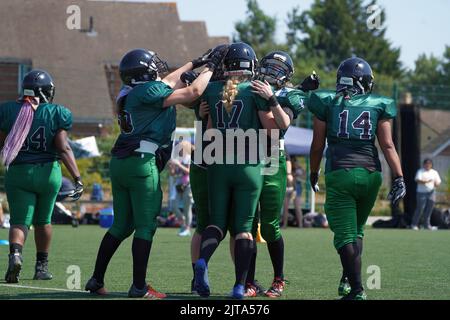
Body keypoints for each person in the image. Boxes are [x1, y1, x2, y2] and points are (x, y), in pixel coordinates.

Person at [85, 46, 228, 298]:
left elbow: (168, 80)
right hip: (142, 162)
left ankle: (96, 279)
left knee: (121, 225)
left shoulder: (131, 91)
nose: (158, 70)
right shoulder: (147, 90)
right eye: (153, 66)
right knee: (145, 226)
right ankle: (139, 286)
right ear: (144, 73)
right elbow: (193, 91)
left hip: (121, 162)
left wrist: (193, 62)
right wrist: (211, 68)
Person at [193, 42, 291, 299]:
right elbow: (277, 129)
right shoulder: (256, 90)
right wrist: (270, 99)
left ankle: (202, 260)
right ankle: (240, 286)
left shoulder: (213, 90)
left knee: (216, 224)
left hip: (218, 165)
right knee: (245, 228)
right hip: (249, 166)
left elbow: (211, 130)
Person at [308, 57, 406, 300]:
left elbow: (317, 145)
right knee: (357, 231)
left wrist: (313, 171)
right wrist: (399, 177)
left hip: (341, 173)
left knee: (344, 235)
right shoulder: (378, 103)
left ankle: (358, 290)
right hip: (372, 175)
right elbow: (388, 145)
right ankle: (348, 278)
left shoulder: (326, 101)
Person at [243, 51, 318, 298]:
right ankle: (249, 281)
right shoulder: (250, 87)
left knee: (270, 227)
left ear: (286, 74)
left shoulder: (292, 95)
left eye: (278, 68)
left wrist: (271, 99)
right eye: (269, 67)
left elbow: (281, 126)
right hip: (248, 156)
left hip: (273, 157)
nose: (272, 72)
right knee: (249, 224)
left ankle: (278, 278)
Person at [0, 69, 83, 283]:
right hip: (48, 173)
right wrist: (77, 177)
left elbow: (3, 143)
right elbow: (63, 148)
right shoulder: (57, 112)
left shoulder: (8, 110)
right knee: (43, 221)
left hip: (19, 172)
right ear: (47, 91)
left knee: (19, 222)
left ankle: (15, 255)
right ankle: (41, 267)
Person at [411, 158, 442, 230]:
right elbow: (417, 180)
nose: (427, 165)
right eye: (426, 163)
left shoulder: (434, 172)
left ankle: (427, 225)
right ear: (424, 164)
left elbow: (438, 182)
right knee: (420, 208)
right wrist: (426, 181)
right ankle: (414, 224)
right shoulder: (420, 171)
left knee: (429, 209)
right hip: (421, 193)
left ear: (431, 165)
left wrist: (436, 184)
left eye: (429, 164)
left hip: (431, 193)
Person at [172, 140, 193, 236]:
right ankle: (183, 222)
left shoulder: (188, 158)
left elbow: (189, 171)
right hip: (178, 185)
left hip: (187, 185)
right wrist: (171, 167)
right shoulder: (178, 158)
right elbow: (173, 174)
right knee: (174, 206)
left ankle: (187, 228)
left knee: (187, 207)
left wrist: (179, 165)